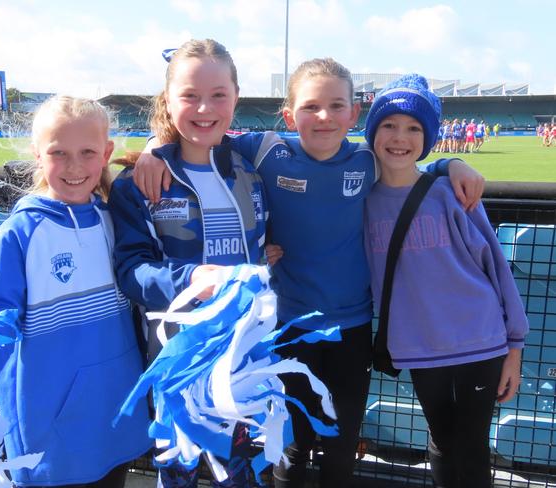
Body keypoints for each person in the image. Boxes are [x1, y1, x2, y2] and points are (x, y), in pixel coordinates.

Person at [133, 57, 484, 487]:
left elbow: (411, 166)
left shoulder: (365, 160)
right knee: (292, 447)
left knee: (341, 444)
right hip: (289, 326)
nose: (324, 117)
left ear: (354, 114)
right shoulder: (265, 149)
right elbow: (202, 136)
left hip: (352, 329)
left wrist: (452, 165)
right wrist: (154, 145)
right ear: (288, 115)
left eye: (337, 106)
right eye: (311, 106)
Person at [0, 95, 152, 486]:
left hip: (114, 414)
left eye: (87, 152)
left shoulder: (116, 219)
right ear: (38, 154)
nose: (75, 166)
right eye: (59, 152)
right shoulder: (18, 236)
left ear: (106, 153)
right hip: (52, 434)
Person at [108, 39, 268, 488]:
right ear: (168, 100)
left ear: (236, 96)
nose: (205, 107)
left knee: (237, 471)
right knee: (177, 471)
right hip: (175, 359)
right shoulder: (138, 183)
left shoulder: (252, 166)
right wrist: (192, 278)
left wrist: (443, 165)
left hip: (241, 357)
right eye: (190, 95)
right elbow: (131, 269)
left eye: (219, 95)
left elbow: (331, 149)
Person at [363, 74, 529, 488]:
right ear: (371, 131)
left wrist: (515, 346)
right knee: (440, 439)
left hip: (481, 341)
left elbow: (496, 268)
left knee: (471, 445)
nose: (400, 137)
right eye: (389, 125)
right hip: (420, 346)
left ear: (428, 137)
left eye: (414, 128)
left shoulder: (451, 193)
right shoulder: (360, 197)